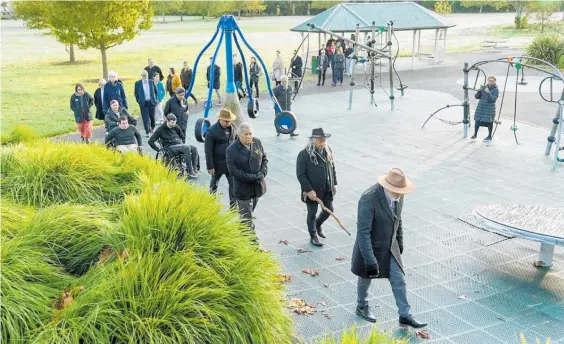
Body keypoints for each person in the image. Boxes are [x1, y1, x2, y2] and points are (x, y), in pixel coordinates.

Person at [351, 168, 427, 330]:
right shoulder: (368, 199)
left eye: (401, 191)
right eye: (396, 191)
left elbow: (398, 220)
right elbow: (363, 233)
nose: (399, 195)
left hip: (390, 247)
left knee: (398, 279)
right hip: (371, 246)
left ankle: (404, 315)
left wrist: (399, 243)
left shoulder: (398, 196)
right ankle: (361, 305)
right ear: (387, 186)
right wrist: (370, 261)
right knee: (365, 278)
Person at [296, 128, 337, 247]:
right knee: (312, 213)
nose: (322, 143)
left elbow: (332, 168)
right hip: (312, 191)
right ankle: (313, 235)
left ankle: (318, 224)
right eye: (320, 141)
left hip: (326, 188)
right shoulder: (304, 154)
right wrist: (309, 190)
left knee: (328, 210)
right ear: (313, 141)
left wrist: (333, 184)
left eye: (324, 140)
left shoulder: (328, 151)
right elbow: (301, 175)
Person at [226, 122, 267, 236]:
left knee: (246, 216)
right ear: (239, 136)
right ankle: (254, 247)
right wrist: (253, 177)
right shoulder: (231, 150)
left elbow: (264, 158)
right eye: (246, 134)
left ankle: (240, 233)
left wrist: (263, 172)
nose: (249, 136)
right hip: (243, 190)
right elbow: (234, 171)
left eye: (250, 133)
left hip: (257, 188)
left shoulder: (257, 142)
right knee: (248, 220)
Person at [205, 108, 237, 209]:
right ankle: (211, 202)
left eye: (229, 121)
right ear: (220, 119)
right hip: (217, 163)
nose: (228, 123)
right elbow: (208, 150)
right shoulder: (211, 131)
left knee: (233, 184)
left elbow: (236, 141)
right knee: (214, 184)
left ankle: (233, 205)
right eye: (226, 121)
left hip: (230, 163)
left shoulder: (233, 127)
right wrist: (210, 166)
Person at [149, 114, 199, 178]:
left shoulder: (175, 126)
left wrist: (181, 143)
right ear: (167, 121)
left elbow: (182, 136)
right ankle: (190, 171)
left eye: (175, 122)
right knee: (186, 148)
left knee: (194, 148)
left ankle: (194, 168)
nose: (174, 124)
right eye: (172, 122)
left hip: (179, 145)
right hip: (169, 148)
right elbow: (150, 141)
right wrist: (158, 150)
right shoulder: (160, 129)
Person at [472, 76, 499, 142]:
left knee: (489, 122)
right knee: (477, 120)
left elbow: (492, 100)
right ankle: (475, 134)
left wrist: (488, 93)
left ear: (495, 81)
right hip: (481, 107)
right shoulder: (484, 87)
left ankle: (489, 136)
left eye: (492, 80)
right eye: (489, 80)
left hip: (489, 108)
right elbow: (477, 97)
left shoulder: (496, 90)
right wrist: (479, 91)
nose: (490, 82)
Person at [134, 70, 157, 138]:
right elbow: (136, 93)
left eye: (146, 75)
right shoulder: (137, 83)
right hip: (143, 103)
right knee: (145, 118)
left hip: (151, 102)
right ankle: (147, 131)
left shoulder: (151, 82)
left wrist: (155, 100)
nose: (145, 77)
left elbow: (155, 91)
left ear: (147, 75)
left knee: (152, 117)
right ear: (141, 76)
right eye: (143, 75)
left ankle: (152, 127)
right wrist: (139, 101)